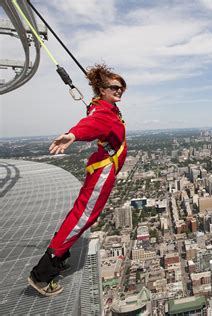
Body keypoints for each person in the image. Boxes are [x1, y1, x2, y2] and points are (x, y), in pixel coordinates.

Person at [28, 64, 127, 296]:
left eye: (122, 87)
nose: (120, 90)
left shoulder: (104, 107)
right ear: (102, 89)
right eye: (115, 86)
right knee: (81, 217)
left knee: (82, 216)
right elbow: (91, 125)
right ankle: (42, 275)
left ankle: (60, 256)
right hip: (103, 171)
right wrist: (74, 134)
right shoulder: (103, 112)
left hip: (103, 169)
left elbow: (96, 118)